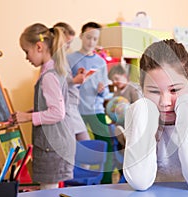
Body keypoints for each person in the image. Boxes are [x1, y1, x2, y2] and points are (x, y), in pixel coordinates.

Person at [123, 39, 188, 191]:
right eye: (154, 91)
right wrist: (143, 111)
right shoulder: (138, 112)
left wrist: (187, 105)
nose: (165, 102)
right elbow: (139, 182)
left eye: (174, 90)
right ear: (142, 89)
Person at [12, 23, 76, 190]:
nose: (26, 57)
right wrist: (32, 112)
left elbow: (57, 113)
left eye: (27, 51)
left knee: (48, 191)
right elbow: (53, 105)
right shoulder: (53, 70)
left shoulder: (49, 76)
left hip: (52, 146)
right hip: (56, 144)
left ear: (39, 47)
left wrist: (27, 117)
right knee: (48, 189)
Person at [67, 22, 113, 184]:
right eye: (88, 37)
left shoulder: (101, 62)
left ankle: (106, 182)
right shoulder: (70, 58)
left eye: (95, 39)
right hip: (76, 110)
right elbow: (65, 84)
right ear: (81, 36)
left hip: (96, 109)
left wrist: (103, 90)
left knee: (107, 143)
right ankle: (75, 180)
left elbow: (106, 91)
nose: (91, 42)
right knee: (78, 147)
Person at [53, 22, 90, 141]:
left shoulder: (63, 59)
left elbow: (65, 79)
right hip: (66, 109)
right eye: (67, 43)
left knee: (84, 144)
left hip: (72, 107)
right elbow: (55, 84)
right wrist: (74, 80)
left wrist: (76, 77)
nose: (68, 46)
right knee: (81, 145)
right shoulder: (54, 60)